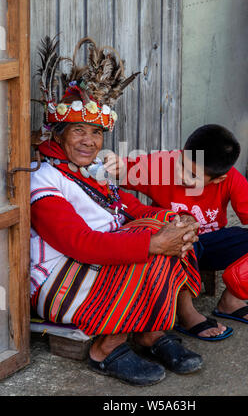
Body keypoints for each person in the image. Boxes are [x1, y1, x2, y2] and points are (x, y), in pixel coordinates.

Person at [30, 36, 203, 386]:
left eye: (96, 132)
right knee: (150, 242)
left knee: (166, 225)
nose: (89, 141)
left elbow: (127, 207)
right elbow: (81, 243)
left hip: (97, 271)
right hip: (59, 285)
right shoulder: (44, 179)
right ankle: (106, 348)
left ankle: (150, 332)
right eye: (78, 130)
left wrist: (178, 221)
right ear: (59, 134)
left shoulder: (89, 171)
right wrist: (153, 241)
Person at [105, 124, 248, 341]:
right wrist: (114, 164)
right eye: (181, 163)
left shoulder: (231, 179)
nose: (181, 174)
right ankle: (186, 313)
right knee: (184, 241)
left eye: (192, 175)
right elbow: (124, 170)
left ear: (218, 179)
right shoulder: (162, 166)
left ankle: (231, 301)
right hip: (172, 252)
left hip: (208, 246)